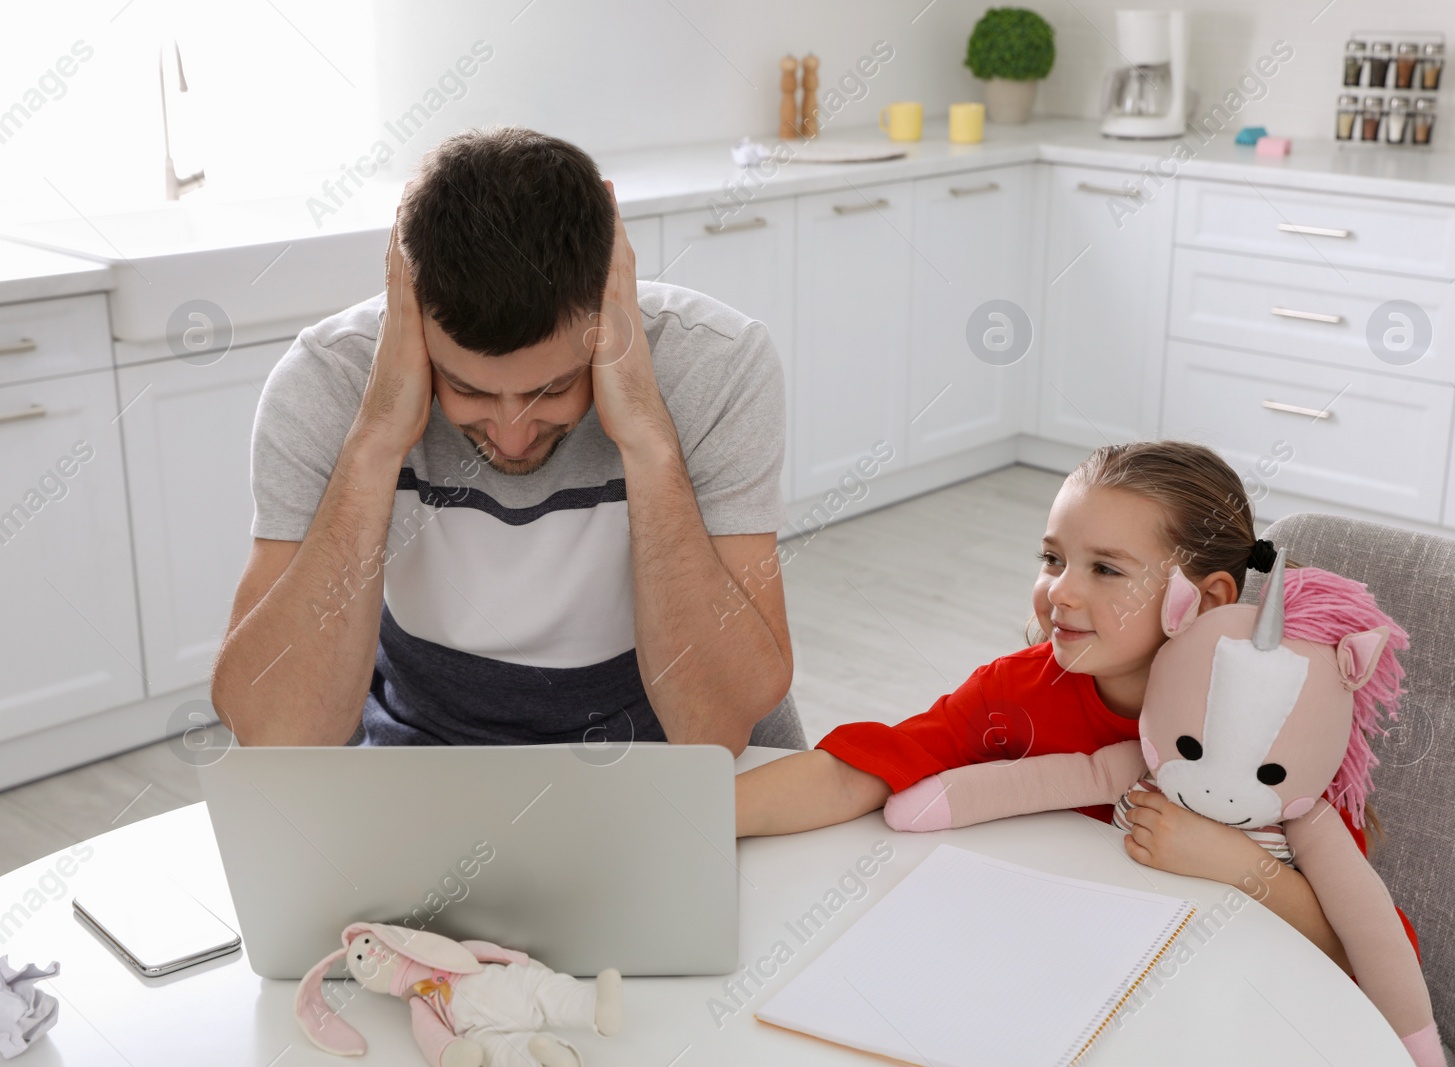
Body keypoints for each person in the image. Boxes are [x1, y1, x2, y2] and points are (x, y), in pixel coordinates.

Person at [212, 127, 800, 753]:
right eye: (468, 389)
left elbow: (717, 726)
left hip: (660, 757)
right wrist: (378, 438)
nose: (513, 436)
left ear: (609, 292)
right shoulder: (329, 379)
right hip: (424, 757)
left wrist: (649, 441)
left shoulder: (718, 363)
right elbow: (275, 734)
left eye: (555, 387)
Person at [737, 440, 1393, 975]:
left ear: (1209, 600)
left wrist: (1237, 863)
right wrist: (697, 817)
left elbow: (1363, 954)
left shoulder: (1290, 726)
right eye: (1053, 558)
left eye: (1105, 569)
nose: (1060, 592)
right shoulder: (1014, 691)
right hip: (1048, 969)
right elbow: (868, 766)